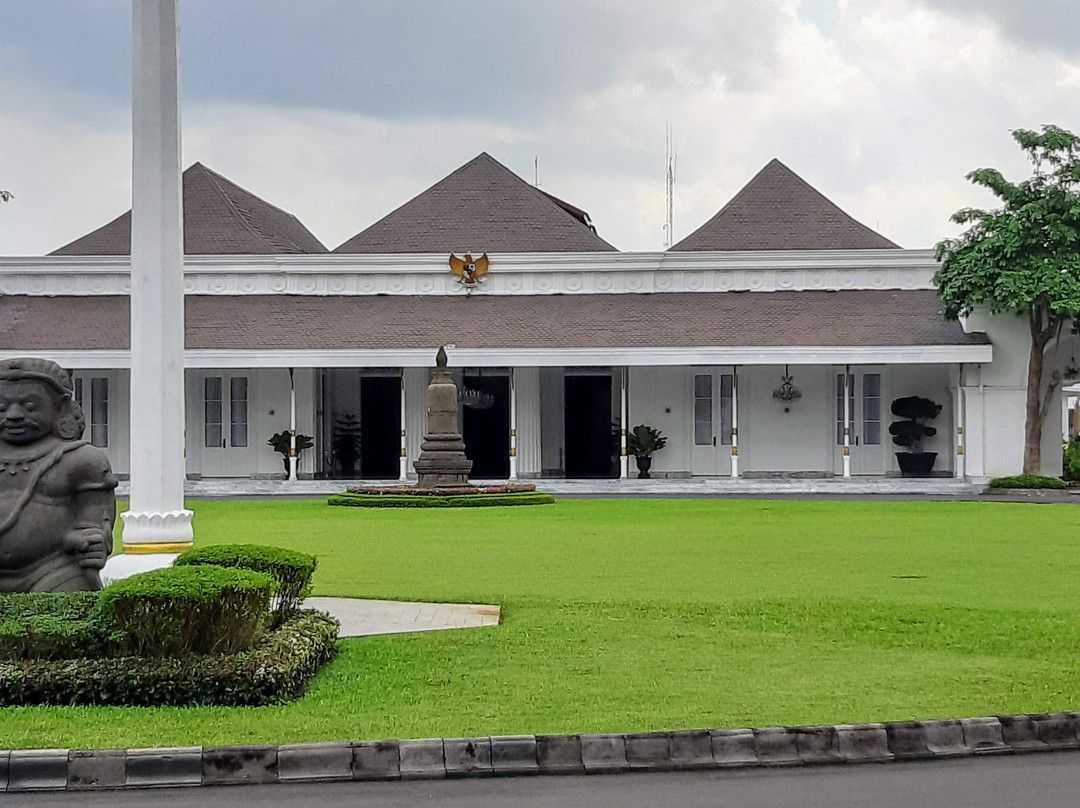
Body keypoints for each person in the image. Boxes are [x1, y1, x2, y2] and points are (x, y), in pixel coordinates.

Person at [0, 358, 117, 591]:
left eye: (29, 406)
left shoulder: (81, 459)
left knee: (67, 601)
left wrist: (92, 540)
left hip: (54, 570)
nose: (13, 415)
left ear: (61, 407)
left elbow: (95, 521)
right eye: (2, 407)